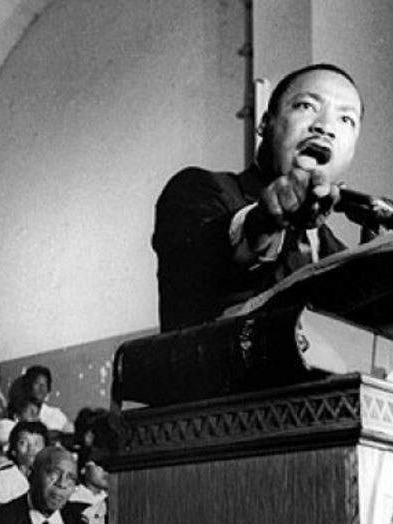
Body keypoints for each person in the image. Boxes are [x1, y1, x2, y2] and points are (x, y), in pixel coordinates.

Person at [153, 63, 367, 331]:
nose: (325, 127)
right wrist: (263, 223)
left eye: (346, 119)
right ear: (265, 123)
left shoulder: (340, 256)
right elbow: (196, 263)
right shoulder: (199, 189)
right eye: (306, 106)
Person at [0, 420, 48, 505]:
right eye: (23, 443)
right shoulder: (5, 475)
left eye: (37, 444)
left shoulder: (48, 476)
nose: (31, 448)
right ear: (14, 450)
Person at [24, 366, 73, 441]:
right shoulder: (18, 415)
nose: (41, 389)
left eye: (44, 385)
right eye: (37, 383)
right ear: (28, 386)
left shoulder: (57, 416)